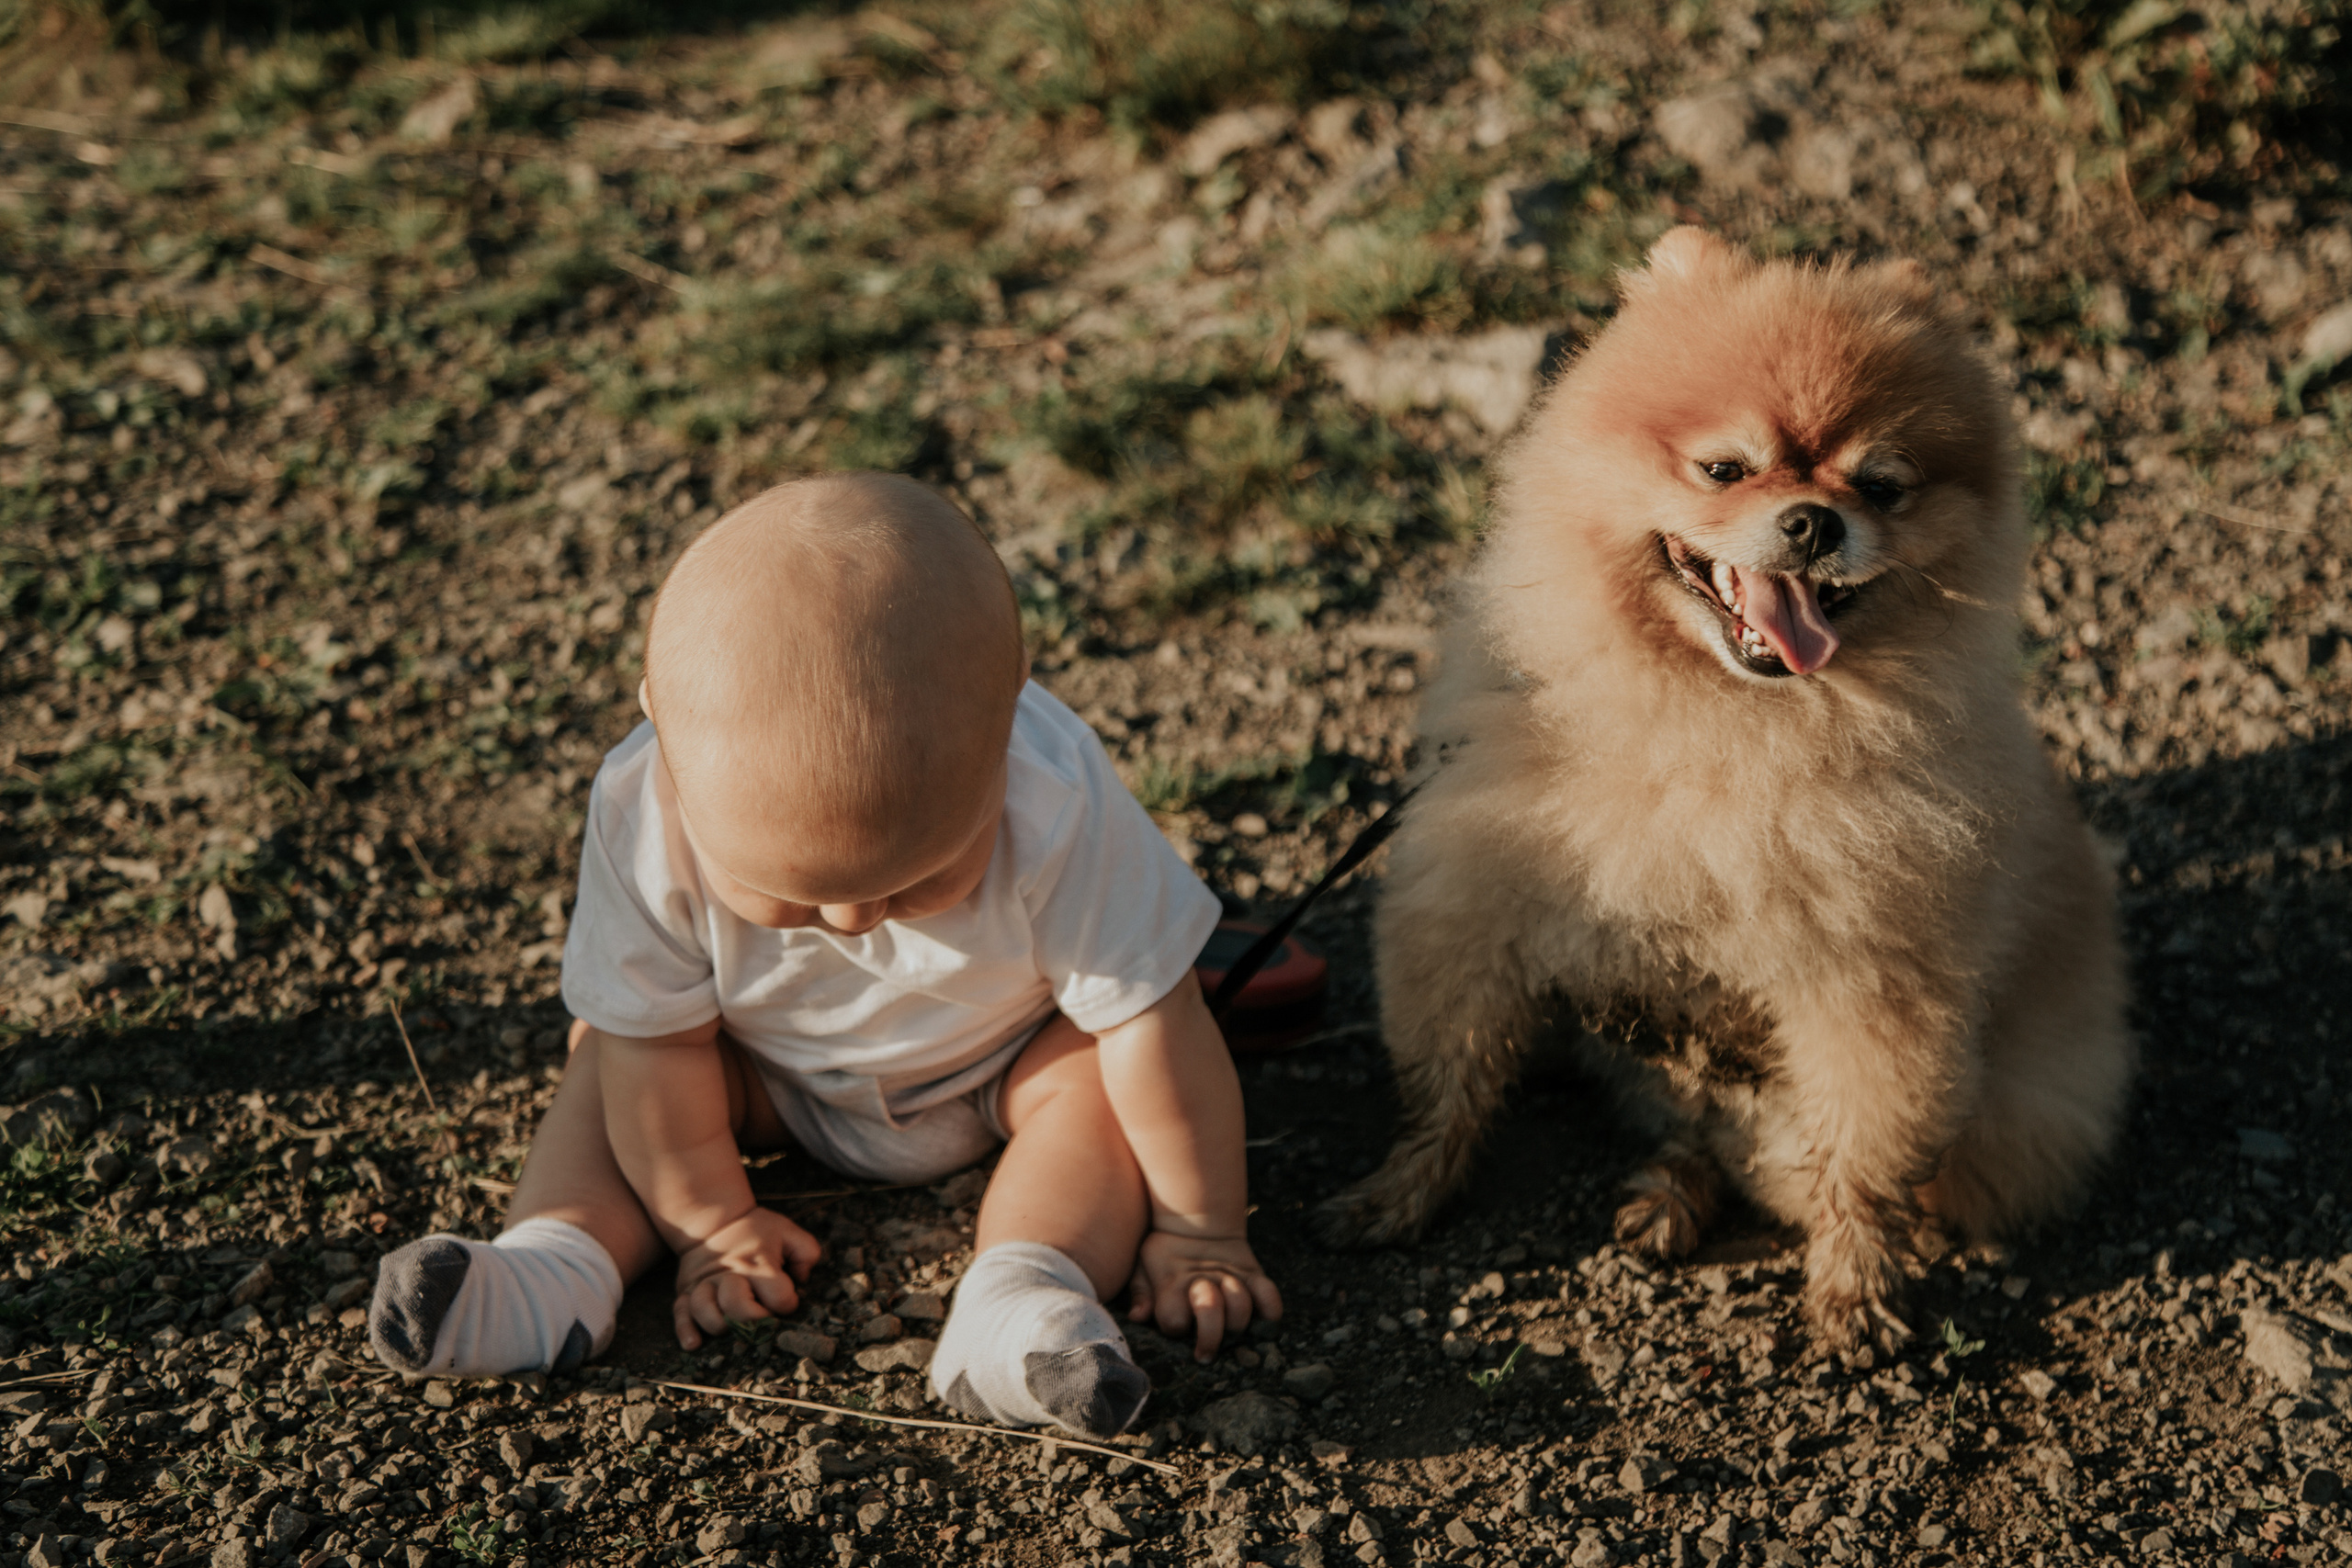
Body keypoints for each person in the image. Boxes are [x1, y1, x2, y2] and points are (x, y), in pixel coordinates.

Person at [363, 471, 1281, 1438]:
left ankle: (1023, 1292)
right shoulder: (642, 817)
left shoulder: (1057, 793)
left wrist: (1201, 1228)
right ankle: (557, 1261)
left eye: (918, 877)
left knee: (1101, 1076)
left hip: (1004, 1064)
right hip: (757, 1072)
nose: (852, 920)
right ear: (662, 732)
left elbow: (1150, 1018)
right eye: (792, 894)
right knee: (610, 1052)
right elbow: (659, 1045)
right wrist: (712, 1224)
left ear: (1012, 711)